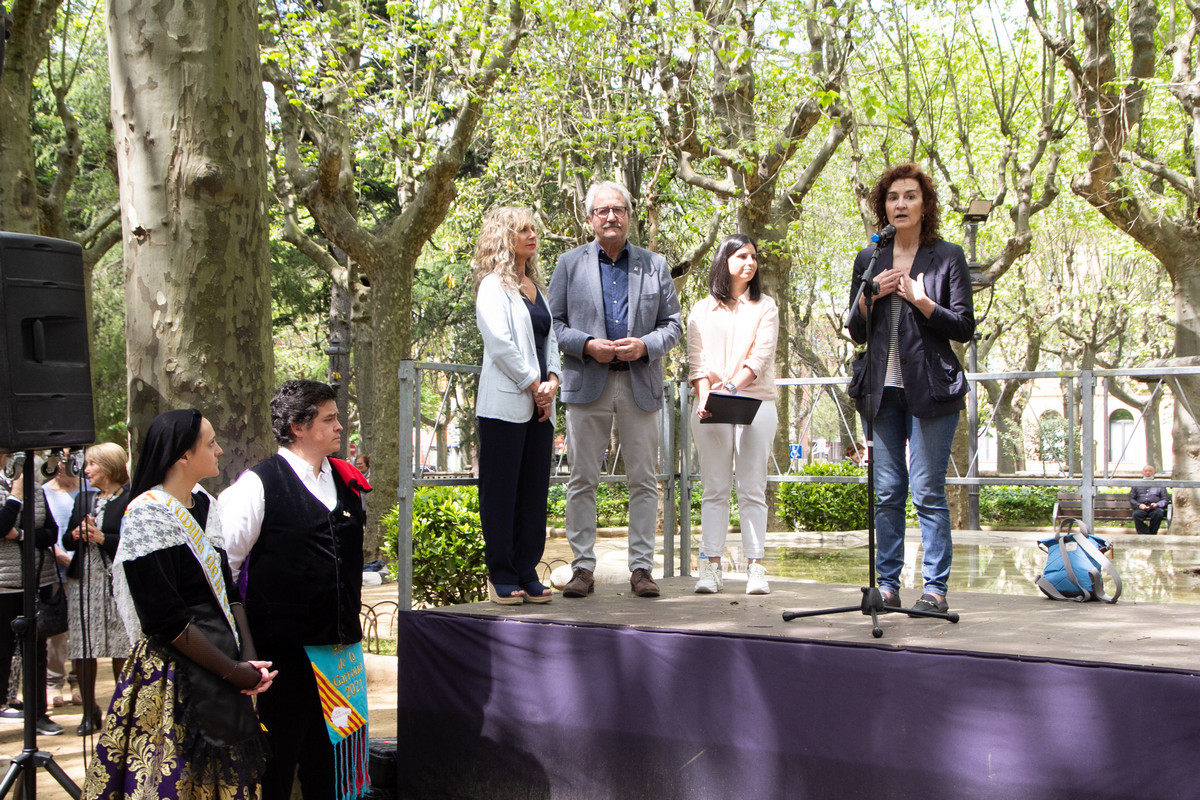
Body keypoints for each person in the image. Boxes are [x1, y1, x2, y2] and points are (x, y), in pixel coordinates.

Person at [81, 409, 274, 799]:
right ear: (183, 455)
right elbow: (163, 618)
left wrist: (249, 659)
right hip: (175, 671)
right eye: (211, 443)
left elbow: (228, 590)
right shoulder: (147, 514)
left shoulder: (204, 504)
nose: (219, 450)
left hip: (225, 659)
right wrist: (232, 671)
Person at [221, 380, 371, 800]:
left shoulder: (346, 482)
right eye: (329, 419)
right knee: (276, 762)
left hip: (340, 653)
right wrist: (239, 648)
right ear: (298, 426)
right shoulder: (256, 485)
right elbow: (224, 569)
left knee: (334, 763)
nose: (339, 426)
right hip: (281, 656)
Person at [846, 162, 975, 614]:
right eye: (892, 197)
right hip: (881, 392)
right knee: (887, 491)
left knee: (927, 490)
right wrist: (871, 298)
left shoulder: (948, 255)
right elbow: (855, 330)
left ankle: (935, 589)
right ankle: (887, 585)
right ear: (883, 206)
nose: (900, 204)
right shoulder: (870, 258)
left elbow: (964, 327)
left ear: (925, 205)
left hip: (932, 390)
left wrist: (923, 302)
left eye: (910, 196)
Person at [547, 180, 683, 598]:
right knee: (582, 479)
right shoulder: (569, 264)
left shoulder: (654, 265)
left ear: (628, 216)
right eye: (603, 210)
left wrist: (646, 346)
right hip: (587, 381)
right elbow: (553, 325)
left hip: (640, 382)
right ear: (590, 218)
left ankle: (641, 568)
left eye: (619, 210)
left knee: (644, 479)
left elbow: (673, 325)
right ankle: (582, 568)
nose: (611, 217)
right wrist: (587, 345)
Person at [473, 207, 561, 604]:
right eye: (522, 229)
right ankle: (502, 574)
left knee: (533, 494)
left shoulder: (536, 288)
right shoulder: (493, 286)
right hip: (505, 407)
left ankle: (527, 570)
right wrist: (533, 384)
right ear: (504, 237)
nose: (531, 234)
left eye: (532, 228)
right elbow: (500, 344)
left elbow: (551, 340)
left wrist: (552, 381)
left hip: (541, 408)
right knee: (501, 493)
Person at [686, 234, 779, 595]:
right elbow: (697, 362)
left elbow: (761, 356)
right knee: (715, 488)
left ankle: (755, 566)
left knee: (753, 487)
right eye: (741, 256)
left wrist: (732, 388)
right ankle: (711, 567)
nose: (749, 262)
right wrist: (706, 396)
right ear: (724, 261)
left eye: (753, 256)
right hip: (711, 404)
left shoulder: (766, 306)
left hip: (755, 401)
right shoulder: (701, 310)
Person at [62, 442, 132, 736]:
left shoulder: (131, 498)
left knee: (120, 644)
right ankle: (89, 710)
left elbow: (132, 542)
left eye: (92, 464)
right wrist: (76, 534)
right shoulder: (83, 498)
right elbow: (65, 541)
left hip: (115, 580)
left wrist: (102, 538)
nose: (86, 470)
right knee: (83, 645)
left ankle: (122, 711)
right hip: (84, 580)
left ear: (109, 466)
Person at [0, 454, 58, 735]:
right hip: (3, 585)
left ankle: (38, 715)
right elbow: (1, 527)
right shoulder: (13, 491)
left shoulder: (37, 491)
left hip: (36, 581)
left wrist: (21, 535)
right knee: (2, 650)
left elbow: (51, 534)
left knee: (35, 651)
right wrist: (15, 497)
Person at [1130, 464, 1170, 535]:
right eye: (1146, 471)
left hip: (1155, 508)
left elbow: (1165, 499)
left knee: (1158, 514)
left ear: (1154, 473)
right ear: (1142, 473)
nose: (1148, 473)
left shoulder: (1160, 485)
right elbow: (1131, 498)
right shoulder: (1136, 485)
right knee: (1136, 514)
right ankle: (1145, 533)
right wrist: (1139, 505)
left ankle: (1152, 533)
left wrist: (1157, 505)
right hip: (1141, 508)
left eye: (1150, 471)